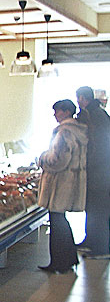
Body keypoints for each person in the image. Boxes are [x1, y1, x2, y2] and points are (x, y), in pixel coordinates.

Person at [37, 99, 88, 273]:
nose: (55, 115)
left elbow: (58, 160)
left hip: (61, 183)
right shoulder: (79, 130)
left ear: (66, 112)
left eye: (57, 111)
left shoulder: (64, 132)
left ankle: (59, 262)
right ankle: (69, 259)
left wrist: (42, 158)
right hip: (70, 182)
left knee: (57, 223)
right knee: (61, 222)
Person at [76, 86, 110, 256]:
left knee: (98, 210)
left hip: (100, 172)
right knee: (91, 208)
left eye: (78, 98)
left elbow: (98, 144)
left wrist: (90, 162)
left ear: (83, 98)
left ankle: (101, 248)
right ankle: (90, 240)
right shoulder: (94, 114)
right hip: (98, 170)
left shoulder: (96, 116)